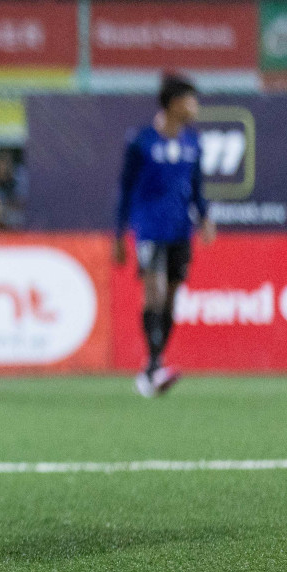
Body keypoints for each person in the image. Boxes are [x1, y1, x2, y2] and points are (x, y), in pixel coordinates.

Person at [115, 73, 215, 398]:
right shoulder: (141, 141)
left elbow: (197, 187)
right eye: (190, 100)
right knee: (154, 293)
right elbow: (125, 190)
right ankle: (155, 366)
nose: (195, 107)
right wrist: (119, 234)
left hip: (179, 230)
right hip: (149, 229)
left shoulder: (193, 143)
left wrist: (205, 216)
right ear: (174, 104)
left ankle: (153, 367)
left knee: (171, 299)